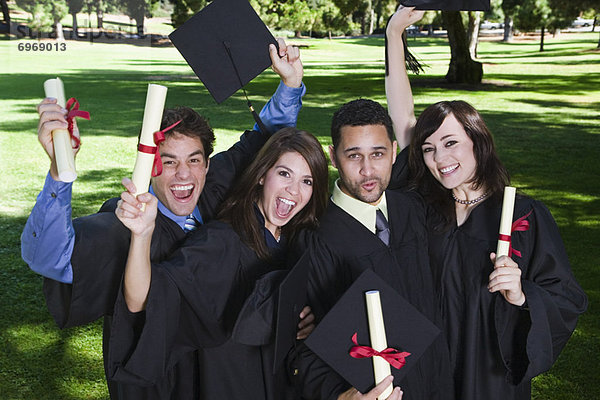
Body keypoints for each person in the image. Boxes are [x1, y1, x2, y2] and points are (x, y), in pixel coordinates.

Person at [21, 40, 308, 399]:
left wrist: (291, 85)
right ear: (150, 165)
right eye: (168, 161)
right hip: (158, 381)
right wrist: (59, 175)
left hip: (221, 374)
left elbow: (261, 141)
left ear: (207, 162)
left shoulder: (215, 187)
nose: (183, 175)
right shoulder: (123, 224)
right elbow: (50, 258)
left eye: (193, 159)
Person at [385, 7, 588, 399]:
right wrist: (395, 34)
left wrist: (522, 292)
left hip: (489, 372)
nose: (439, 159)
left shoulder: (522, 216)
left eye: (450, 143)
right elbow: (403, 117)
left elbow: (567, 298)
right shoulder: (426, 208)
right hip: (433, 366)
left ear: (477, 143)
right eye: (428, 150)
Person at [109, 127, 329, 399]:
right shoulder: (221, 241)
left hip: (279, 384)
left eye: (307, 181)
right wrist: (141, 235)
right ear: (261, 175)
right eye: (284, 174)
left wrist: (306, 318)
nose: (293, 190)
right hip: (231, 383)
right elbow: (145, 298)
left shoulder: (298, 238)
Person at [293, 96, 453, 400]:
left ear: (394, 152)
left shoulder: (412, 209)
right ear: (333, 156)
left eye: (378, 154)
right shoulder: (316, 237)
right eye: (354, 156)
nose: (368, 170)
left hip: (439, 382)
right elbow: (308, 345)